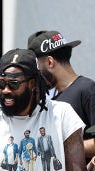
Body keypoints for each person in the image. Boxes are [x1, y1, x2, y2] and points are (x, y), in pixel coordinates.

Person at [28, 30, 95, 159]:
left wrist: (59, 148)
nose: (36, 76)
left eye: (37, 68)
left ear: (49, 62)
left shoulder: (87, 89)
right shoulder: (53, 101)